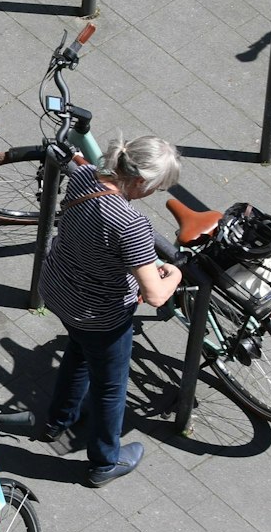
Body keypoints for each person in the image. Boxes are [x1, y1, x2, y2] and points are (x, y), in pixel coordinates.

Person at [37, 135, 182, 487]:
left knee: (78, 352)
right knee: (110, 389)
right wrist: (174, 273)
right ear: (141, 181)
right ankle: (105, 462)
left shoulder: (84, 177)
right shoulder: (131, 224)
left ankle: (58, 419)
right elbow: (155, 295)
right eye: (157, 187)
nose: (153, 193)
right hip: (99, 315)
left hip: (59, 289)